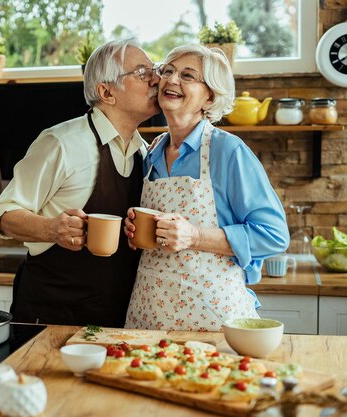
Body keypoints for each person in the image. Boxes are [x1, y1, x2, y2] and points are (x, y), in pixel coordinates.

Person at [0, 38, 160, 327]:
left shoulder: (146, 153)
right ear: (106, 91)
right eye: (142, 72)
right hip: (53, 317)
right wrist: (51, 228)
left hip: (116, 319)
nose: (156, 78)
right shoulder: (62, 143)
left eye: (154, 69)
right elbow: (3, 213)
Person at [123, 44, 289, 332]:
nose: (172, 81)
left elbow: (274, 236)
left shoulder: (227, 151)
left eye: (188, 76)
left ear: (209, 96)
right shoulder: (152, 152)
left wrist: (195, 236)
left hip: (213, 319)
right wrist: (134, 230)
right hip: (149, 318)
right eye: (168, 71)